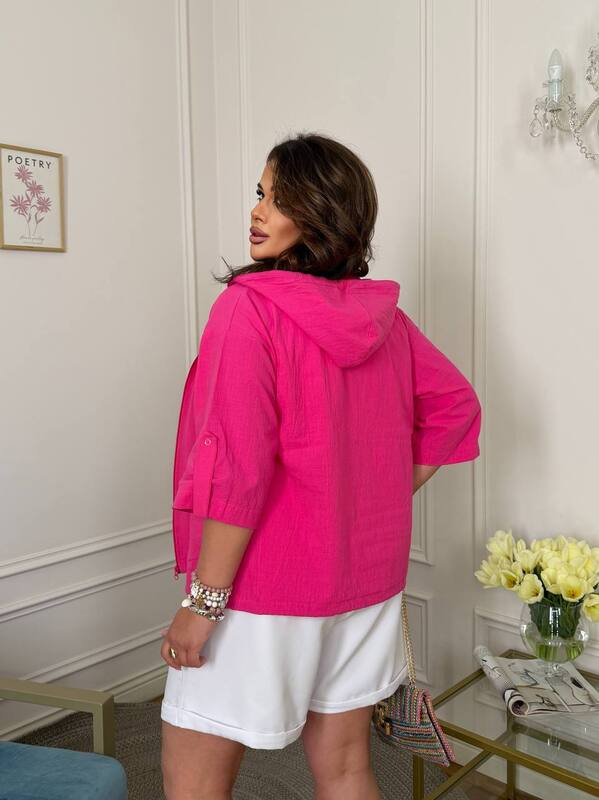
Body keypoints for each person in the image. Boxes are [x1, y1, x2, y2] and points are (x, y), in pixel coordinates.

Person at [159, 132, 482, 800]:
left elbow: (237, 469)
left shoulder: (248, 309)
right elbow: (455, 406)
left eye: (278, 199)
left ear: (320, 213)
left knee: (194, 777)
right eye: (259, 194)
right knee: (345, 768)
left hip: (261, 587)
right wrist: (374, 494)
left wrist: (203, 603)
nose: (257, 212)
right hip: (364, 583)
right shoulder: (384, 320)